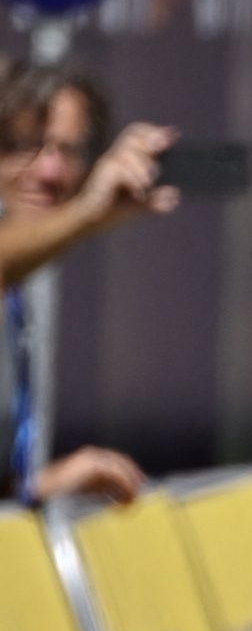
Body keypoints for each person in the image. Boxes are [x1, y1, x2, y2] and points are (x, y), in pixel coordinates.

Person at [0, 63, 177, 506]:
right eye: (24, 146)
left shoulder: (18, 286)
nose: (51, 172)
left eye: (69, 151)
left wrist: (36, 487)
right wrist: (84, 215)